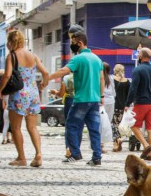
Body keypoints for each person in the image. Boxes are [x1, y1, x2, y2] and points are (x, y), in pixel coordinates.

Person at [50, 32, 104, 166]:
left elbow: (63, 71)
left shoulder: (78, 58)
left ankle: (75, 153)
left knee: (71, 125)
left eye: (73, 42)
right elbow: (102, 78)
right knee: (94, 129)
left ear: (79, 43)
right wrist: (101, 96)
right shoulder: (97, 59)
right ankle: (97, 157)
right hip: (94, 100)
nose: (71, 45)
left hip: (81, 100)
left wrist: (47, 78)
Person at [0, 29, 49, 167]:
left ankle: (21, 158)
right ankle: (38, 154)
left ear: (10, 42)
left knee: (15, 127)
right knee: (32, 127)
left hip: (19, 94)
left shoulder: (12, 56)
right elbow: (45, 72)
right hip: (33, 93)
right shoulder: (33, 55)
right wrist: (44, 83)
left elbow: (7, 75)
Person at [126, 48, 151, 161]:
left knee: (133, 125)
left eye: (138, 54)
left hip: (141, 103)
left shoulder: (137, 70)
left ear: (141, 56)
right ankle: (150, 154)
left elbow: (133, 88)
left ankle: (145, 145)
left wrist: (127, 103)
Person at [49, 73, 74, 157]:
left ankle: (69, 148)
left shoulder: (66, 78)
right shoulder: (82, 75)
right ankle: (76, 149)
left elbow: (61, 93)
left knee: (69, 125)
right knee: (78, 126)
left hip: (69, 101)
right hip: (82, 100)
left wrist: (54, 92)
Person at [112, 64, 130, 152]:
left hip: (114, 105)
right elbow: (129, 95)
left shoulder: (112, 80)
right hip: (123, 107)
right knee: (121, 125)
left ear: (115, 70)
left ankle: (116, 141)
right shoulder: (127, 82)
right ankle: (120, 139)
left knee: (114, 124)